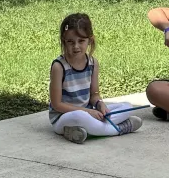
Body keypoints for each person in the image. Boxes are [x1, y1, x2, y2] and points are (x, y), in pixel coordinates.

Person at [49, 13, 142, 144]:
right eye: (70, 41)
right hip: (64, 117)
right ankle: (117, 129)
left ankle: (77, 130)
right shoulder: (59, 67)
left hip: (88, 113)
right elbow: (57, 105)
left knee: (127, 106)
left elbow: (94, 94)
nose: (76, 46)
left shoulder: (92, 63)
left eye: (81, 41)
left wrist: (99, 104)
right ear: (64, 41)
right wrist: (87, 112)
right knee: (80, 116)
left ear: (90, 40)